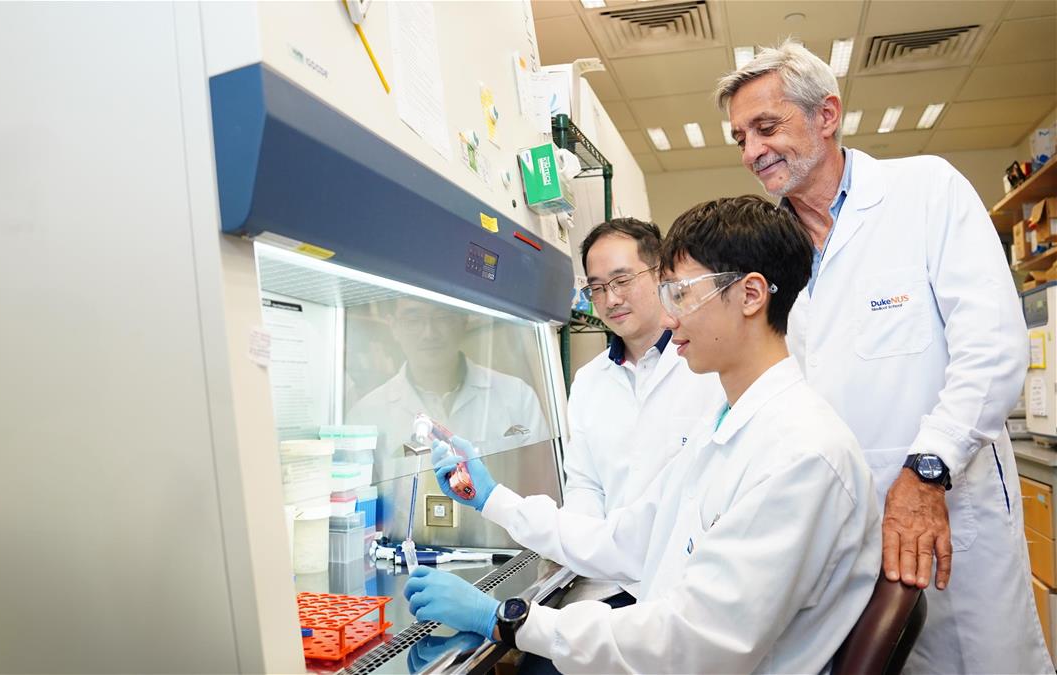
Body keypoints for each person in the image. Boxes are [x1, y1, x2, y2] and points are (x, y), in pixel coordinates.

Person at [404, 196, 881, 673]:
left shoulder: (800, 455)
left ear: (751, 295)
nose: (670, 319)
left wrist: (507, 621)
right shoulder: (724, 427)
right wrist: (492, 498)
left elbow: (691, 643)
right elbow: (625, 541)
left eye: (682, 294)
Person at [716, 40, 1050, 672]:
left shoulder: (925, 192)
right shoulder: (771, 254)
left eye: (766, 127)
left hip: (951, 512)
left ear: (826, 115)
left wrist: (927, 472)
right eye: (740, 138)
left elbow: (993, 351)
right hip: (843, 545)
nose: (751, 151)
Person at [553, 218, 725, 606]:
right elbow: (585, 484)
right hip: (608, 582)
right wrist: (586, 548)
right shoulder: (588, 381)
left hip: (688, 581)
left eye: (622, 280)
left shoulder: (707, 366)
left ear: (660, 274)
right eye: (597, 288)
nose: (611, 299)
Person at [347, 297, 549, 537]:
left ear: (463, 321)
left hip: (500, 550)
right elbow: (359, 506)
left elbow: (543, 488)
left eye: (442, 317)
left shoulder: (516, 396)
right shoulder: (368, 412)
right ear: (394, 326)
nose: (429, 333)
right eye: (413, 319)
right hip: (405, 553)